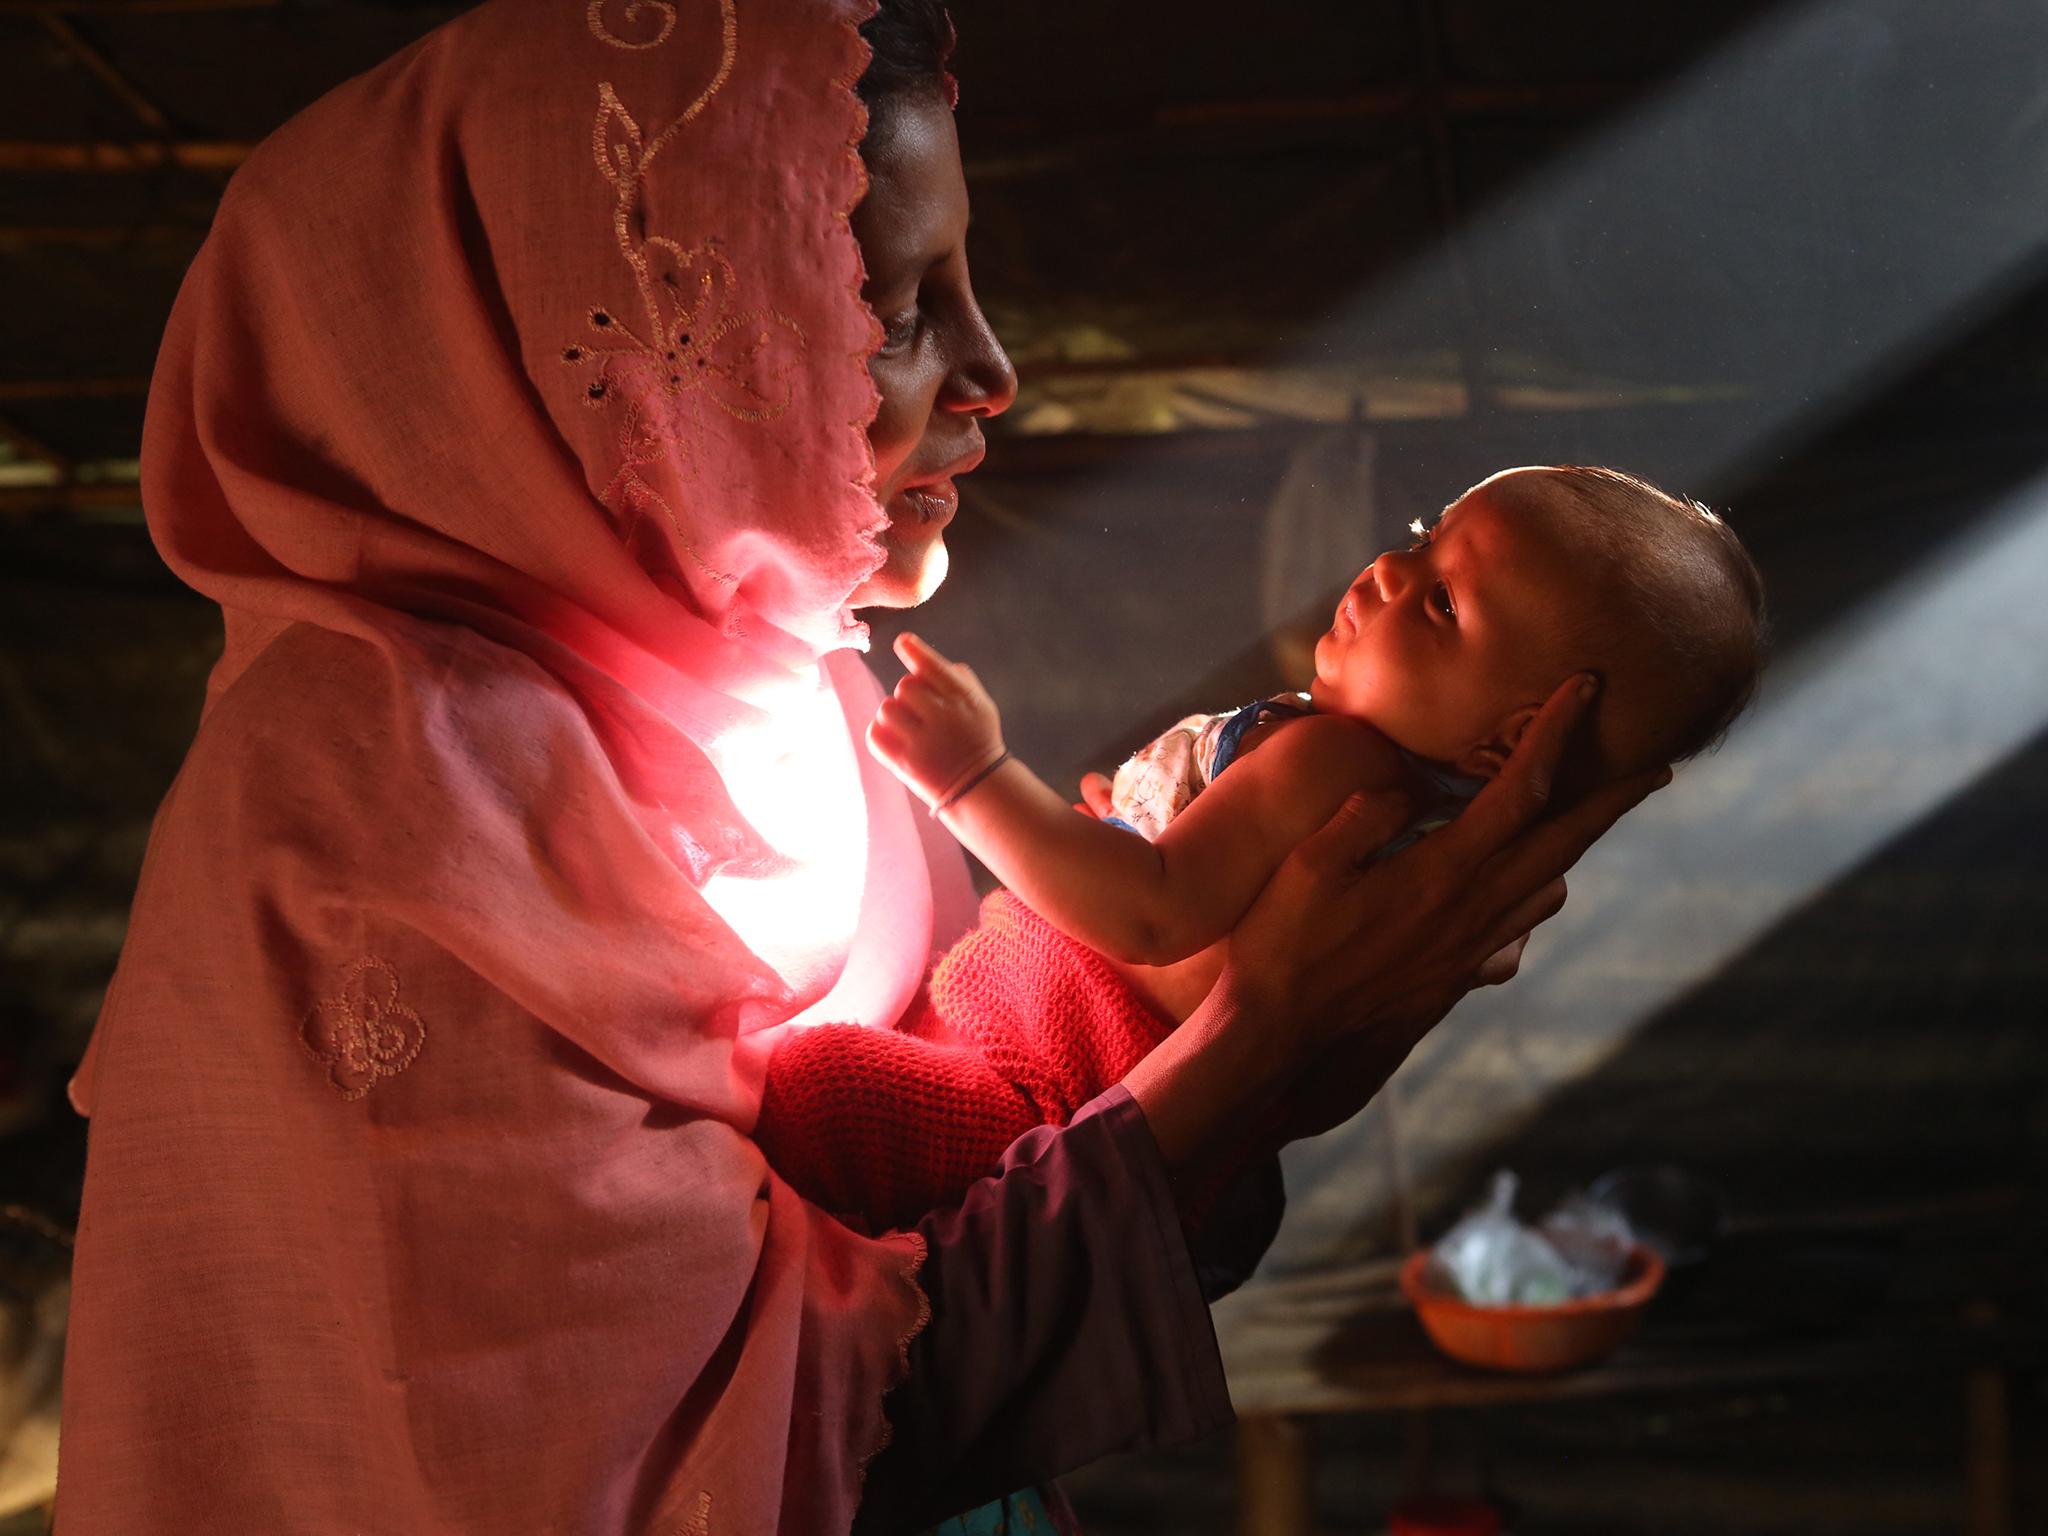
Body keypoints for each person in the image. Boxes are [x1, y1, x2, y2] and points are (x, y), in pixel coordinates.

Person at [53, 3, 1663, 1535]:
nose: (990, 369)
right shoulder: (369, 817)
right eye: (889, 309)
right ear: (598, 345)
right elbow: (663, 1454)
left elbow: (1001, 1158)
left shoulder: (789, 676)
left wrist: (1243, 1035)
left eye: (961, 283)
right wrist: (1258, 1042)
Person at [755, 465, 1763, 1239]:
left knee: (816, 1094)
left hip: (1041, 1076)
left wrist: (971, 777)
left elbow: (1144, 917)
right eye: (1423, 541)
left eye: (1443, 604)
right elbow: (1310, 1085)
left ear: (1510, 740)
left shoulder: (1334, 764)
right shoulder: (1418, 854)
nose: (1387, 570)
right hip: (1111, 1128)